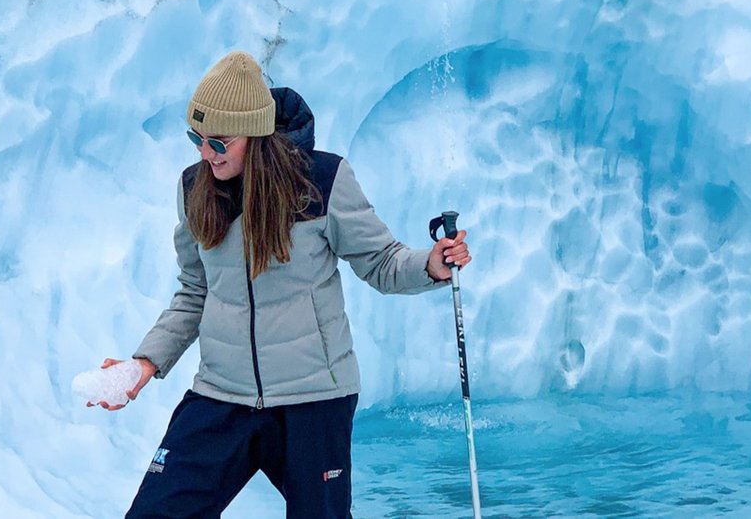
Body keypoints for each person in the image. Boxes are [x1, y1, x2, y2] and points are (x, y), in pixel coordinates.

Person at [92, 50, 472, 518]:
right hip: (221, 395)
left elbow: (381, 261)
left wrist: (431, 265)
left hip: (314, 399)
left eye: (218, 142)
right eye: (197, 139)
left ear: (254, 134)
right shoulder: (195, 188)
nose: (205, 153)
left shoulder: (323, 181)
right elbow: (195, 292)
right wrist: (143, 364)